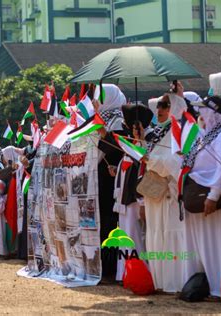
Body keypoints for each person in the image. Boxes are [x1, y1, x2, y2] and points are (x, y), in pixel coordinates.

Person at [182, 96, 221, 298]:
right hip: (201, 195)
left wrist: (214, 194)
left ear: (215, 113)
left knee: (219, 243)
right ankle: (208, 284)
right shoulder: (208, 135)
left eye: (205, 110)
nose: (201, 114)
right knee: (205, 245)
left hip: (216, 199)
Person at [141, 92, 186, 293]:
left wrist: (149, 159)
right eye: (158, 105)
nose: (159, 110)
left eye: (165, 105)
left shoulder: (180, 133)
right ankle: (158, 281)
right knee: (155, 235)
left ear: (175, 108)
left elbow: (175, 163)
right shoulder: (156, 132)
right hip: (154, 193)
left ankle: (173, 283)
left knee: (170, 236)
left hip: (170, 194)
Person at [112, 104, 153, 281]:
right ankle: (125, 273)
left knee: (135, 237)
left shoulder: (148, 140)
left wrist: (141, 139)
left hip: (135, 199)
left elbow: (144, 166)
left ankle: (139, 273)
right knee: (125, 237)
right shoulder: (133, 142)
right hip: (124, 199)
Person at [93, 84, 126, 280]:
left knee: (110, 223)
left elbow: (119, 147)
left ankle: (111, 267)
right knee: (101, 222)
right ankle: (101, 265)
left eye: (101, 97)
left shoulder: (119, 120)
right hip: (100, 178)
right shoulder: (102, 119)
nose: (98, 101)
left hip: (113, 178)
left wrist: (104, 133)